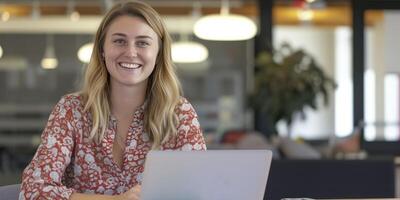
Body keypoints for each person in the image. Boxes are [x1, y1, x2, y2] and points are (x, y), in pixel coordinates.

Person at [19, 1, 207, 199]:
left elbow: (202, 190)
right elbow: (33, 189)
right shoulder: (71, 110)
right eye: (119, 41)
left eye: (143, 42)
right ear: (102, 49)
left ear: (159, 53)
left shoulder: (179, 113)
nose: (131, 52)